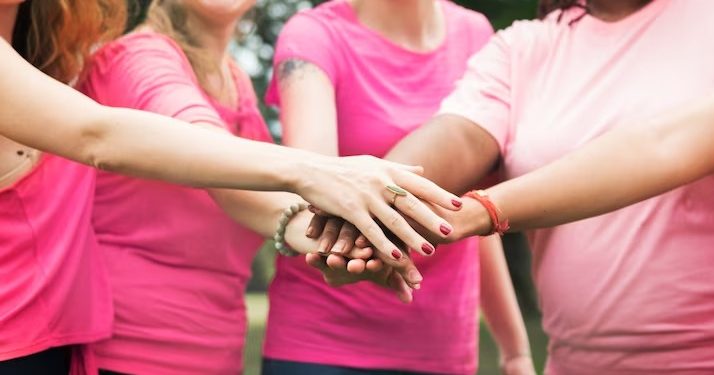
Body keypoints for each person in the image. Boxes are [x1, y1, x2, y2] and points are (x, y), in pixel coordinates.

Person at [0, 1, 459, 373]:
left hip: (176, 346)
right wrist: (316, 173)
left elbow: (248, 199)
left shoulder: (232, 79)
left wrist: (335, 241)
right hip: (124, 349)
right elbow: (118, 138)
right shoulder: (139, 58)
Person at [309, 0, 714, 373]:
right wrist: (361, 220)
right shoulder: (524, 47)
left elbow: (664, 148)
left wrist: (479, 212)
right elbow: (459, 136)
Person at [263, 1, 535, 374]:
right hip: (323, 345)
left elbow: (467, 211)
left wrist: (515, 348)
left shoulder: (475, 34)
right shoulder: (313, 34)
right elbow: (314, 183)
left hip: (442, 346)